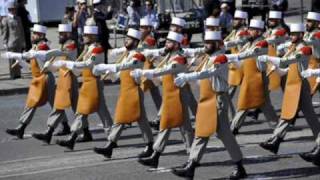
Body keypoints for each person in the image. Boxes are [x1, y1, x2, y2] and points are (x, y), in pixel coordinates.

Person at [171, 31, 247, 180]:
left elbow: (207, 73)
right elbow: (199, 64)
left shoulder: (220, 58)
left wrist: (187, 76)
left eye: (208, 43)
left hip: (218, 100)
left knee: (224, 135)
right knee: (201, 133)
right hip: (207, 100)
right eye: (204, 42)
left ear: (217, 44)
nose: (205, 46)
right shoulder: (208, 57)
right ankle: (191, 167)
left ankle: (239, 167)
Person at [133, 31, 194, 168]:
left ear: (177, 44)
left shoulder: (179, 59)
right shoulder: (169, 57)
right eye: (166, 42)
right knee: (166, 125)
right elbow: (162, 77)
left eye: (169, 42)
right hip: (170, 96)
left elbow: (163, 71)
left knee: (184, 128)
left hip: (178, 96)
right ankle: (156, 156)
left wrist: (143, 73)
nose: (166, 44)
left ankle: (191, 158)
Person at [258, 23, 320, 154]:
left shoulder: (304, 49)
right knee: (288, 114)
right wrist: (279, 70)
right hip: (293, 85)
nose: (291, 36)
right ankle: (275, 140)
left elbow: (284, 61)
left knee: (309, 118)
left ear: (301, 35)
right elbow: (287, 68)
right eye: (291, 34)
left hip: (300, 86)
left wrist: (268, 58)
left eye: (294, 34)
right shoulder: (293, 47)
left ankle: (275, 139)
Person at [92, 29, 154, 159]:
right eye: (126, 38)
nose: (126, 40)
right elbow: (121, 73)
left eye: (129, 39)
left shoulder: (138, 56)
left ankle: (111, 145)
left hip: (133, 91)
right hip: (125, 90)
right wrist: (112, 75)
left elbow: (126, 66)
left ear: (136, 42)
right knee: (136, 119)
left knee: (123, 119)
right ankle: (149, 144)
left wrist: (107, 67)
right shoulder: (127, 54)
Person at [54, 25, 113, 150]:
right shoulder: (88, 49)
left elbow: (88, 64)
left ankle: (112, 137)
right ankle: (73, 139)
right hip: (87, 83)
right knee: (83, 111)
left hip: (94, 83)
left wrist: (68, 64)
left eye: (86, 36)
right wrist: (73, 68)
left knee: (101, 111)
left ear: (93, 37)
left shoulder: (97, 49)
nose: (83, 37)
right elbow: (81, 67)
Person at [5, 24, 56, 139]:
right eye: (33, 33)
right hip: (38, 79)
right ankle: (21, 128)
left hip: (46, 78)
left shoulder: (43, 47)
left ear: (41, 35)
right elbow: (31, 67)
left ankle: (63, 126)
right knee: (31, 103)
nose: (32, 36)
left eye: (35, 34)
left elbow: (39, 63)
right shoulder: (36, 47)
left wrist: (20, 56)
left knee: (56, 105)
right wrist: (21, 60)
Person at [31, 24, 79, 144]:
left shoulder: (71, 45)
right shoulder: (64, 44)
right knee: (75, 107)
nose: (59, 36)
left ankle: (49, 132)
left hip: (69, 77)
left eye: (62, 34)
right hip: (64, 77)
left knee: (67, 106)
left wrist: (52, 64)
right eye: (59, 34)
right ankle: (85, 132)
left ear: (68, 34)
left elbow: (62, 59)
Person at [229, 19, 278, 135]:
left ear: (259, 32)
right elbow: (240, 54)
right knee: (245, 103)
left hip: (258, 78)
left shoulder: (262, 43)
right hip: (249, 78)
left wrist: (229, 57)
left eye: (252, 30)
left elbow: (246, 54)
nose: (249, 31)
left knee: (259, 104)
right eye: (249, 29)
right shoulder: (250, 43)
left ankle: (277, 128)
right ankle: (234, 127)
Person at [1, 1, 25, 79]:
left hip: (18, 41)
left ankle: (18, 74)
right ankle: (12, 74)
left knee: (18, 58)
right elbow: (5, 32)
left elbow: (21, 30)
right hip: (11, 42)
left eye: (15, 9)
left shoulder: (18, 18)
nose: (15, 10)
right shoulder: (6, 19)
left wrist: (23, 41)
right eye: (13, 9)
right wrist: (4, 42)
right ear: (9, 9)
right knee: (11, 59)